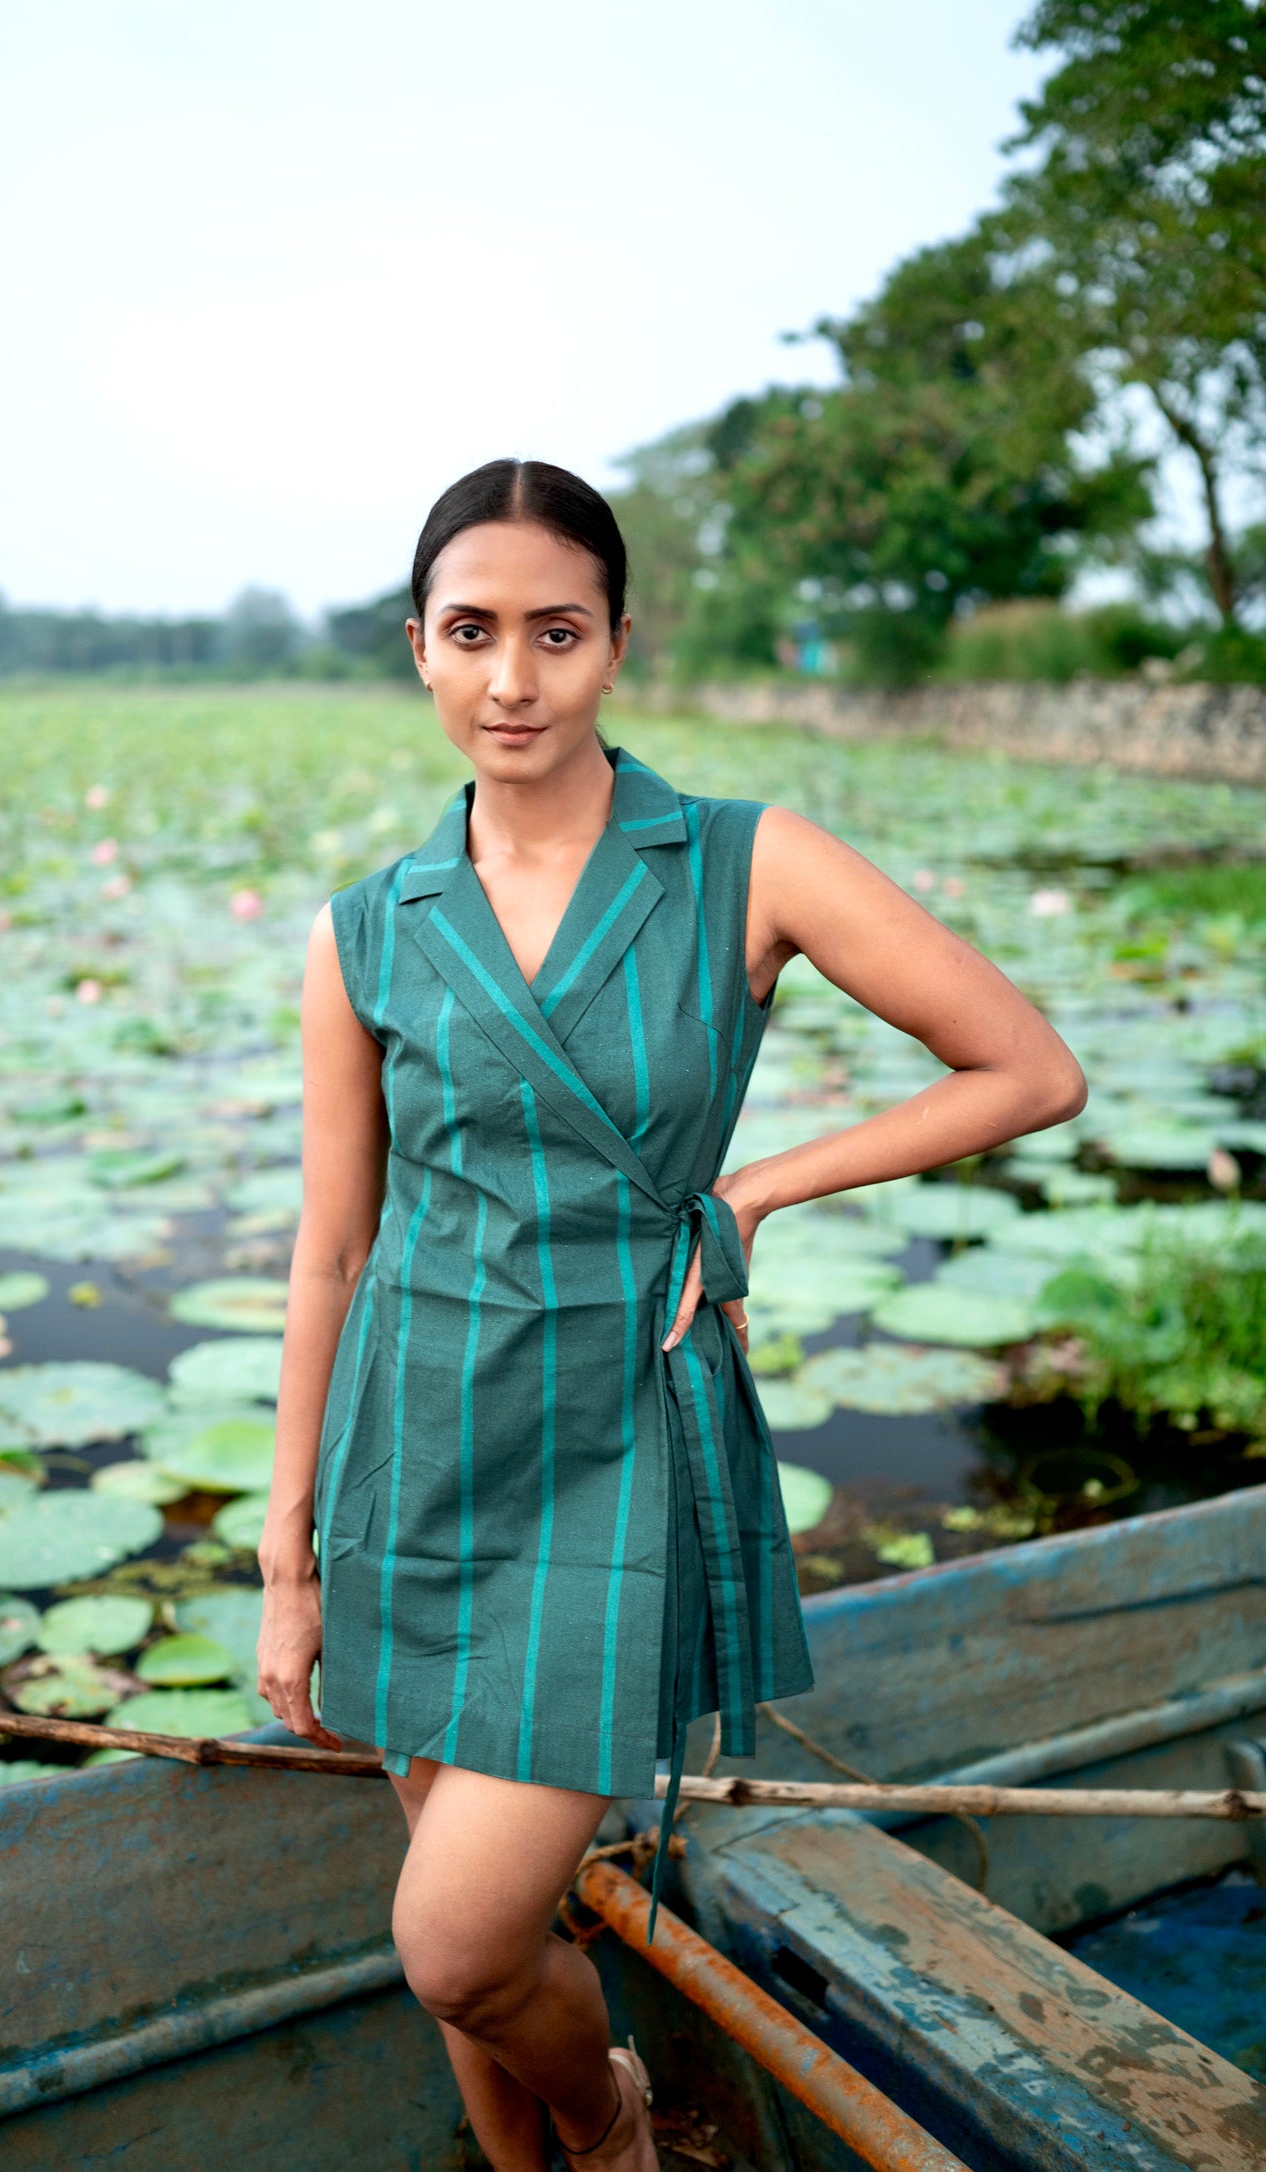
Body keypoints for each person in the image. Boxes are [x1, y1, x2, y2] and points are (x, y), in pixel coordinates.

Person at [257, 458, 1087, 2170]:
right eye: (472, 633)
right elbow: (331, 1249)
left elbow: (1026, 1069)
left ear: (618, 644)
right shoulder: (367, 934)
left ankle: (613, 2119)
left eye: (555, 633)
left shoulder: (738, 861)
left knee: (458, 1939)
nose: (512, 680)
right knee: (460, 1940)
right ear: (416, 646)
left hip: (613, 1444)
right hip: (407, 1454)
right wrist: (287, 1556)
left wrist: (759, 1189)